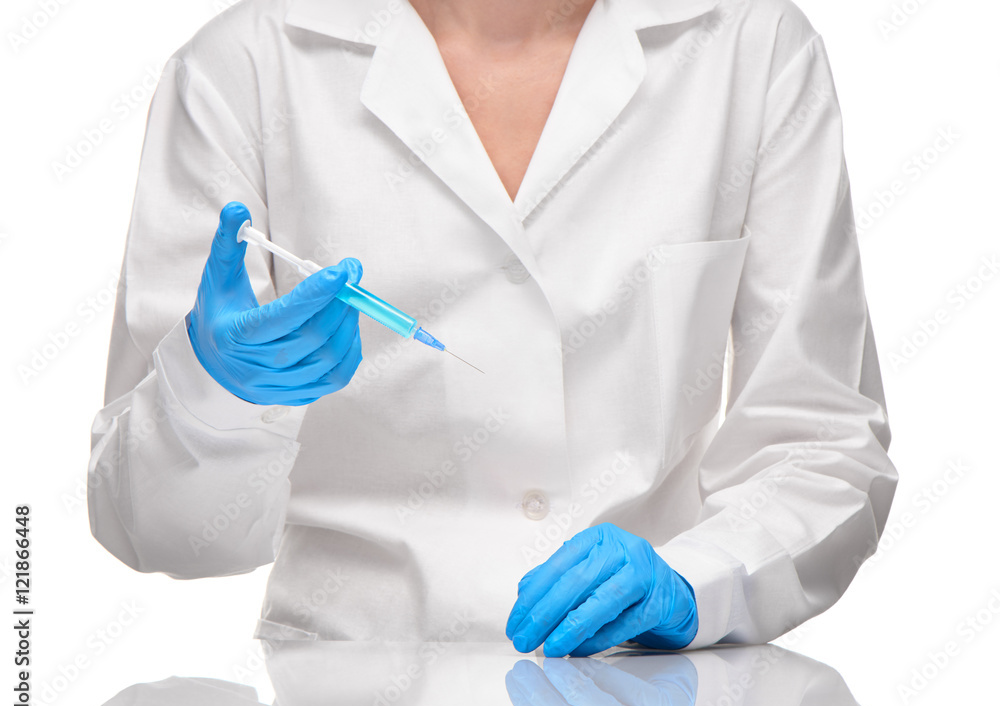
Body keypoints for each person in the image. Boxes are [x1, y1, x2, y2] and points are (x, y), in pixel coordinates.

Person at [88, 0, 898, 657]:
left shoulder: (752, 47)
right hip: (343, 691)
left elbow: (819, 441)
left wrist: (698, 581)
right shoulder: (243, 69)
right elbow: (153, 528)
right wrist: (216, 392)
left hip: (642, 693)